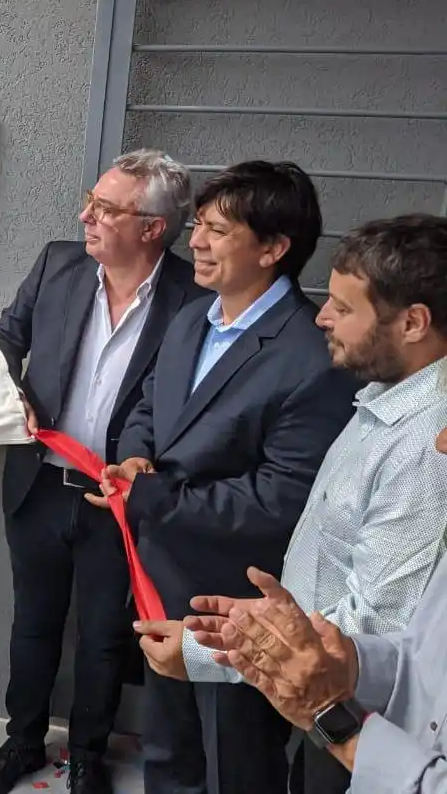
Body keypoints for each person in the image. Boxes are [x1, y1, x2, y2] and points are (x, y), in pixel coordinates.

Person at [134, 214, 447, 794]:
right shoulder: (385, 398)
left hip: (365, 724)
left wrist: (211, 652)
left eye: (344, 308)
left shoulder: (428, 448)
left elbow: (377, 628)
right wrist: (245, 628)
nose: (322, 316)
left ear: (413, 322)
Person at [92, 161, 360, 794]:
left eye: (217, 231)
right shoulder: (193, 317)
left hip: (236, 608)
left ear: (273, 248)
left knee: (234, 766)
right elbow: (147, 407)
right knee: (168, 754)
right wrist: (134, 459)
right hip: (162, 579)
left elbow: (280, 500)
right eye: (199, 226)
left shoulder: (309, 354)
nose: (197, 243)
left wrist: (149, 496)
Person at [0, 150, 205, 794]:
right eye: (90, 202)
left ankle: (88, 756)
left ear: (152, 227)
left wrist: (143, 466)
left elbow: (180, 401)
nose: (86, 217)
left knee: (103, 636)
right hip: (38, 484)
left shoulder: (193, 299)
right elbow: (5, 336)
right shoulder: (59, 263)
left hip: (118, 501)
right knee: (34, 623)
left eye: (105, 208)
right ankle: (22, 743)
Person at [190, 461, 447, 793]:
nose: (440, 441)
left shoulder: (421, 453)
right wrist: (340, 656)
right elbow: (421, 658)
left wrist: (335, 724)